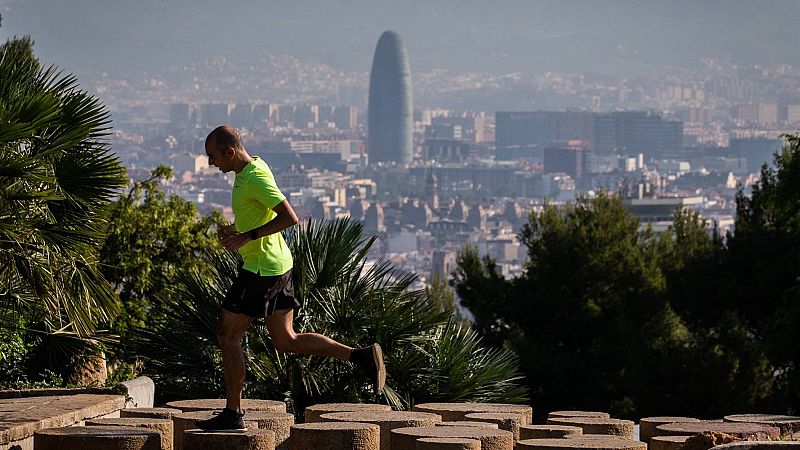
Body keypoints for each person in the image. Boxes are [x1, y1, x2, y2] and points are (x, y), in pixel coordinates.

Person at [196, 125, 385, 431]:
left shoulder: (254, 177)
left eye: (213, 156)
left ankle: (233, 414)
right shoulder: (254, 167)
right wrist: (239, 231)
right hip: (277, 265)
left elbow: (289, 217)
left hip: (261, 270)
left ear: (229, 152)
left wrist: (248, 237)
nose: (210, 163)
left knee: (228, 336)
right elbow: (261, 215)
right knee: (287, 340)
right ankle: (360, 357)